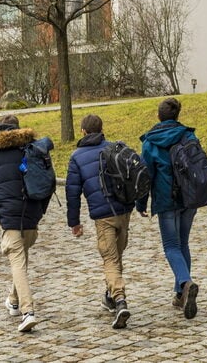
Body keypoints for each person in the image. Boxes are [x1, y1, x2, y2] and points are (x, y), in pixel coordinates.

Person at [137, 97, 207, 320]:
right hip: (189, 199)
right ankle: (180, 294)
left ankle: (185, 282)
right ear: (177, 116)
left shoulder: (151, 142)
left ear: (158, 116)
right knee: (183, 243)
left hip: (165, 200)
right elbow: (203, 165)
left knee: (171, 246)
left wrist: (141, 203)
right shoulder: (188, 135)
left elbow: (146, 176)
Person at [0, 115, 52, 333]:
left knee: (18, 262)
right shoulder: (34, 148)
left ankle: (28, 312)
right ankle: (13, 300)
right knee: (21, 258)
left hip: (8, 214)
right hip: (31, 213)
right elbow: (49, 181)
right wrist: (40, 211)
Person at [65, 114, 135, 329]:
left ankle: (120, 300)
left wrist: (74, 222)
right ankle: (111, 295)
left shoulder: (77, 157)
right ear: (101, 129)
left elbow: (72, 192)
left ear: (83, 131)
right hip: (124, 211)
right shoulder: (115, 148)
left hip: (103, 216)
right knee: (116, 256)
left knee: (110, 259)